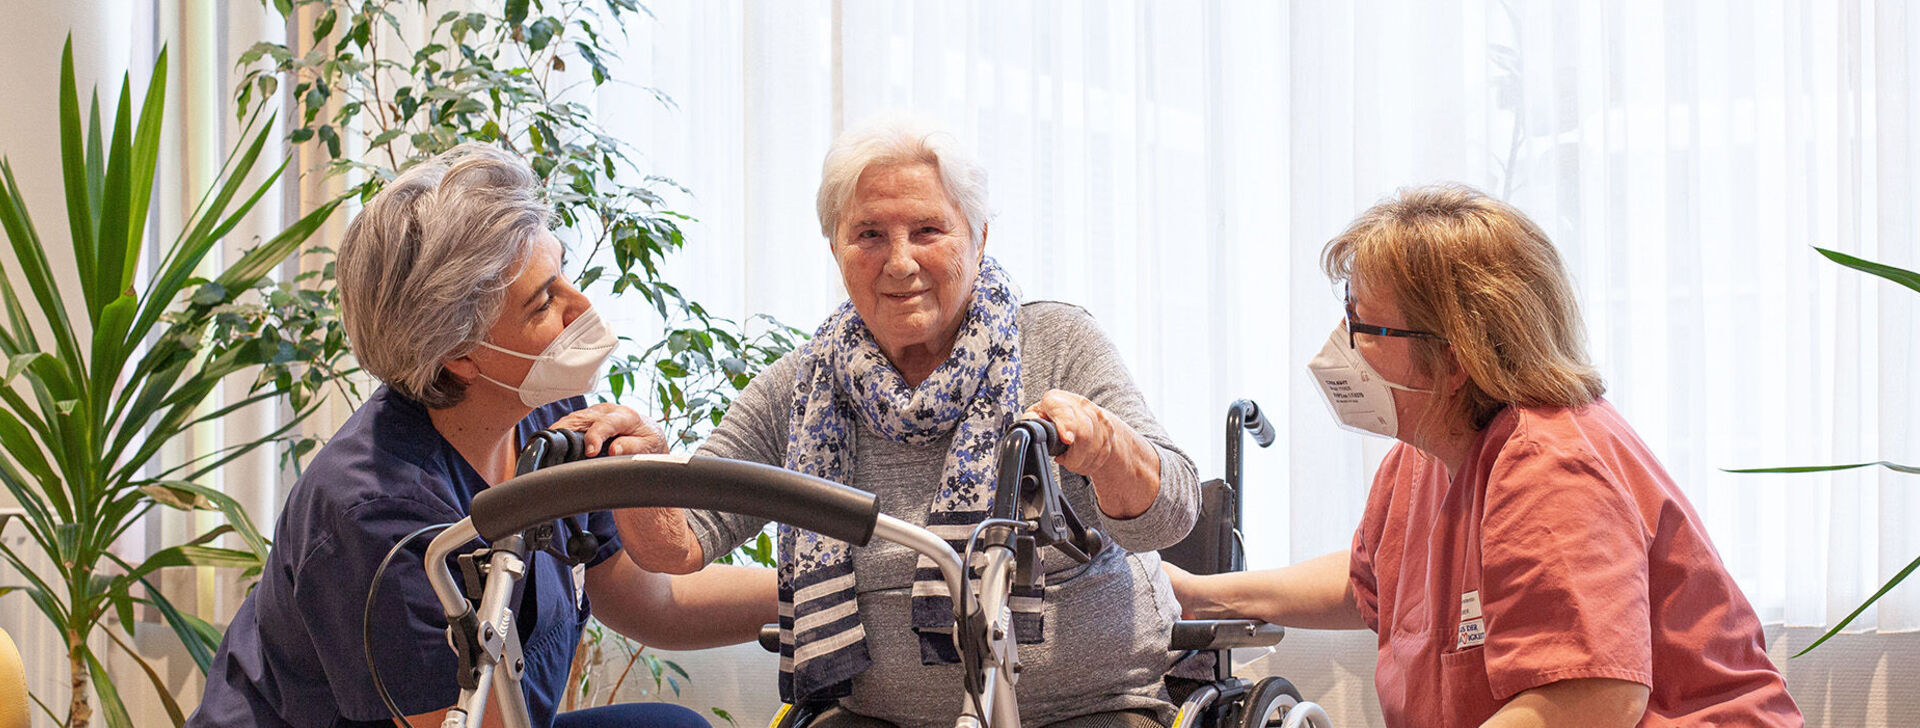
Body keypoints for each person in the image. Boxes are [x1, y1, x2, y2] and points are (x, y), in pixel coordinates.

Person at [615, 116, 1200, 728]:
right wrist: (636, 468)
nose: (899, 263)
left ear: (978, 237)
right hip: (877, 719)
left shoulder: (1056, 343)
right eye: (868, 234)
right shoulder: (803, 386)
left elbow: (1172, 513)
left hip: (1087, 711)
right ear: (835, 248)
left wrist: (1106, 448)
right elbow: (679, 543)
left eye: (928, 231)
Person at [1163, 184, 1802, 728]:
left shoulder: (1548, 462)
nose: (1342, 347)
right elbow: (1376, 585)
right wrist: (1199, 595)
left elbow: (1593, 694)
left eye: (1363, 326)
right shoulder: (1424, 454)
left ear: (1456, 356)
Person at [188, 144, 776, 728]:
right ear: (460, 353)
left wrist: (829, 587)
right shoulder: (374, 512)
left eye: (562, 273)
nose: (582, 305)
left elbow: (651, 604)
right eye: (545, 300)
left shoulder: (550, 414)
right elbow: (472, 721)